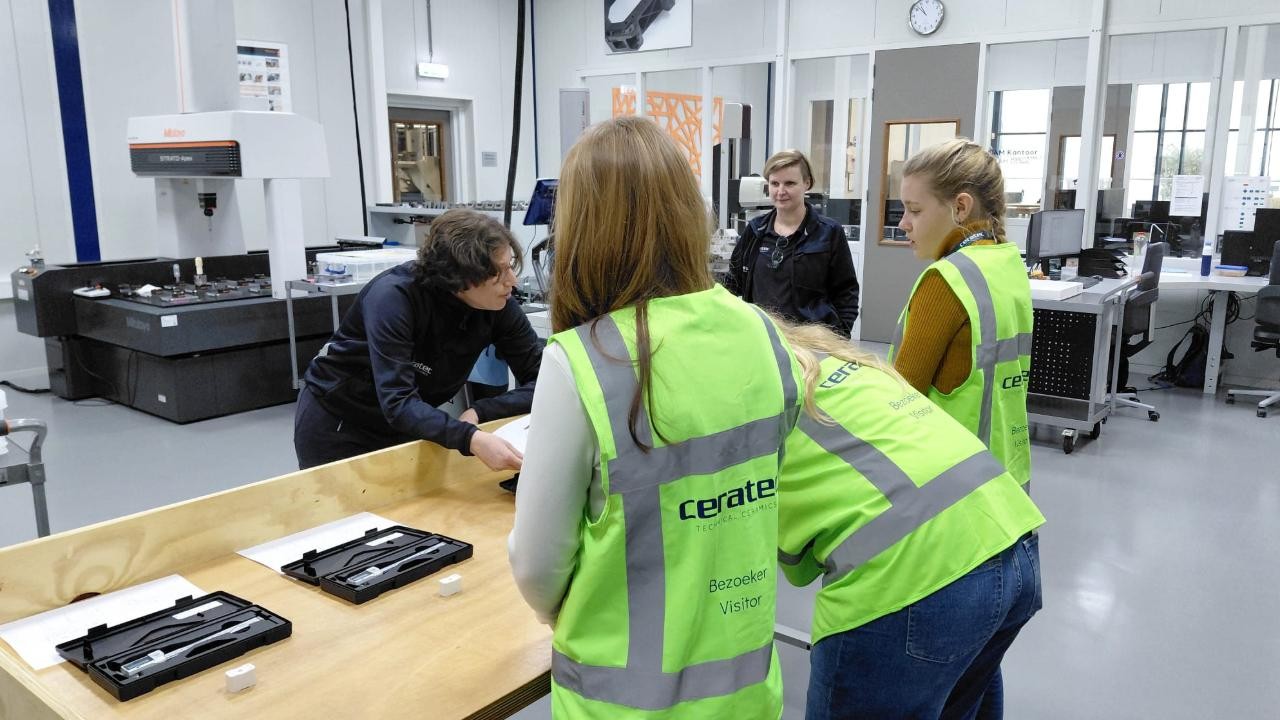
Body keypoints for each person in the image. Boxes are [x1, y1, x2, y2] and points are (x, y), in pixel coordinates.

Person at [507, 117, 801, 718]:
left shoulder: (584, 360)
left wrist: (560, 612)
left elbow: (538, 567)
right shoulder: (759, 330)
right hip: (745, 693)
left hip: (625, 702)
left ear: (582, 227)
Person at [774, 319, 1044, 719]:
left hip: (917, 584)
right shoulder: (829, 356)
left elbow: (796, 569)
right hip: (1010, 535)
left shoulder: (747, 408)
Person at [293, 208, 539, 471]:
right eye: (498, 272)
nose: (512, 281)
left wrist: (481, 411)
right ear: (461, 275)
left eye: (510, 266)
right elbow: (398, 401)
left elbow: (542, 382)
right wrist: (470, 438)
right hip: (340, 423)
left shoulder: (499, 306)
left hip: (409, 422)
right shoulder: (393, 299)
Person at [889, 139, 1033, 488]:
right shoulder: (1007, 264)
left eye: (915, 210)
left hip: (952, 480)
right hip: (1006, 471)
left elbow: (901, 396)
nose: (904, 223)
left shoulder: (946, 281)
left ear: (961, 207)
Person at [724, 149, 860, 337]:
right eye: (774, 183)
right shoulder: (755, 231)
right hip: (763, 340)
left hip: (811, 343)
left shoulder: (829, 233)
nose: (780, 191)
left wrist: (839, 337)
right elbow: (732, 284)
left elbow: (846, 292)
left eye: (789, 183)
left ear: (807, 183)